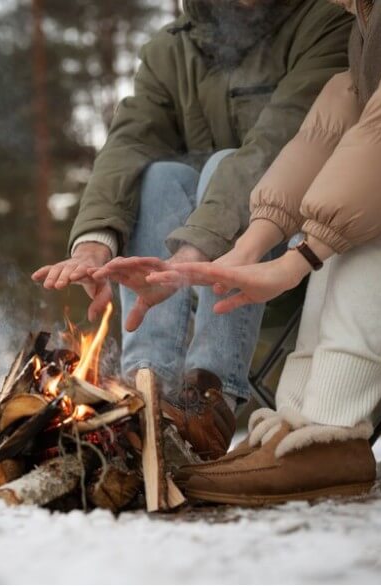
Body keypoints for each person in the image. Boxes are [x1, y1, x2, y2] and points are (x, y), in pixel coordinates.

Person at [99, 0, 381, 504]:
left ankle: (329, 434)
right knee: (347, 218)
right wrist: (250, 246)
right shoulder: (374, 21)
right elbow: (331, 125)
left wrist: (297, 259)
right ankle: (296, 428)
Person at [32, 0, 353, 461]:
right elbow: (129, 143)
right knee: (158, 176)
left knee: (224, 163)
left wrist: (194, 250)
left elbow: (276, 145)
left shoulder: (324, 23)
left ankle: (207, 395)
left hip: (298, 238)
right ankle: (148, 391)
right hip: (206, 237)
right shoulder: (172, 48)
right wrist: (93, 245)